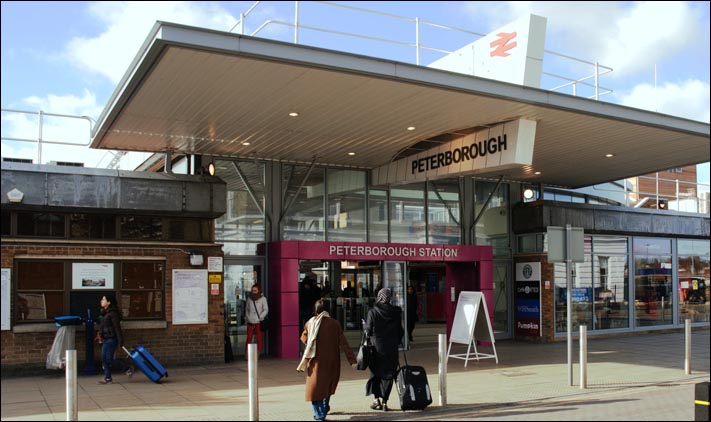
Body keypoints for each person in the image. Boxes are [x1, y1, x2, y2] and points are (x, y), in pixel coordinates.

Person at [297, 300, 357, 421]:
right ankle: (324, 409)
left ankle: (319, 414)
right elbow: (344, 343)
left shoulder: (310, 323)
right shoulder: (334, 324)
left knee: (314, 388)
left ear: (315, 310)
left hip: (314, 361)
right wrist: (352, 360)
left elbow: (303, 338)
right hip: (331, 361)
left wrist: (311, 343)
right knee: (327, 386)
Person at [364, 288, 404, 411]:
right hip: (391, 348)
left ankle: (376, 400)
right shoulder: (396, 312)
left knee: (375, 372)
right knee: (389, 374)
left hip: (377, 348)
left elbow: (369, 331)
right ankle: (385, 402)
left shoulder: (373, 312)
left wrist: (365, 326)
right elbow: (400, 331)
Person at [96, 293, 133, 384]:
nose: (101, 301)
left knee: (108, 359)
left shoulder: (113, 314)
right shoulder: (104, 313)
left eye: (104, 299)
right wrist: (100, 335)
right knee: (104, 358)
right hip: (106, 339)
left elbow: (117, 328)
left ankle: (127, 368)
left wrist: (120, 340)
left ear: (109, 302)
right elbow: (103, 327)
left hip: (112, 339)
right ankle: (107, 377)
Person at [245, 284, 269, 357]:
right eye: (252, 290)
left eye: (255, 290)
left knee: (259, 338)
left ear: (258, 291)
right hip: (250, 321)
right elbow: (247, 309)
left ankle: (258, 353)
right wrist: (248, 317)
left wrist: (260, 317)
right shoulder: (249, 299)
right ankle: (246, 353)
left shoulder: (263, 299)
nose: (254, 292)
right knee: (249, 338)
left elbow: (266, 309)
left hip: (258, 321)